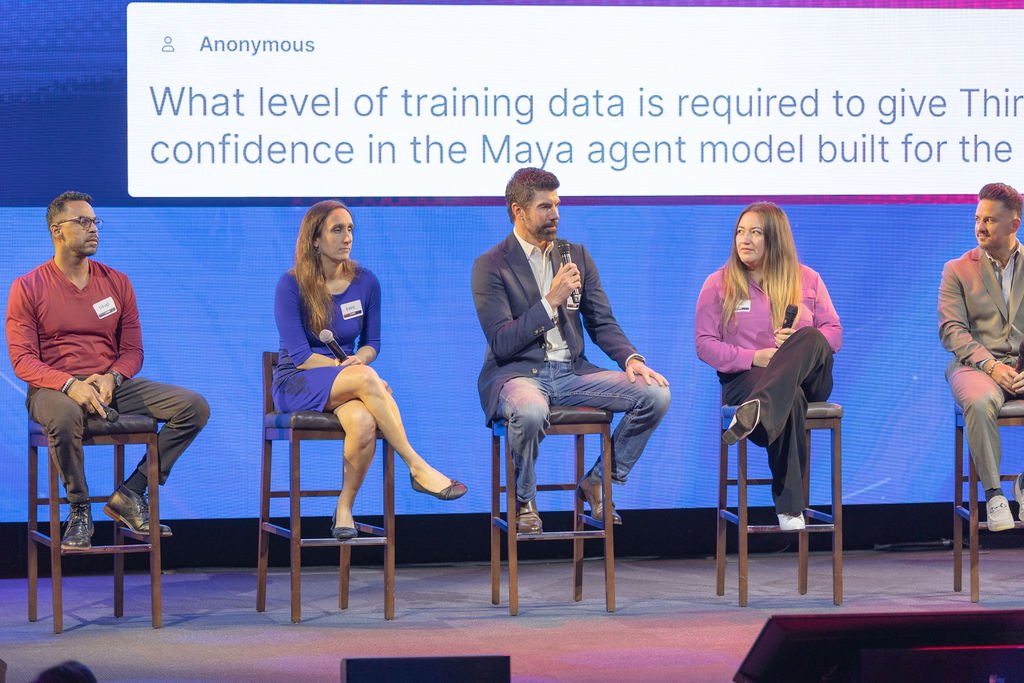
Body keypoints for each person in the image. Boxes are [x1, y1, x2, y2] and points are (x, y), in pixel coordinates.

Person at [6, 191, 210, 550]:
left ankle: (132, 492)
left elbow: (132, 350)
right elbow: (23, 360)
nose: (93, 229)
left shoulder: (117, 282)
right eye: (82, 222)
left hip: (109, 383)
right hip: (52, 389)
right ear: (57, 230)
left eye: (95, 221)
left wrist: (112, 377)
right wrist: (69, 384)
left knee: (193, 406)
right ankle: (79, 510)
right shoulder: (28, 287)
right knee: (66, 416)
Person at [471, 167, 670, 534]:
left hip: (572, 373)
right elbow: (502, 341)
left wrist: (632, 359)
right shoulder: (491, 265)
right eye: (545, 207)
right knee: (530, 412)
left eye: (557, 205)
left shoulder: (574, 254)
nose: (556, 214)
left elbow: (602, 322)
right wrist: (551, 302)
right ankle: (525, 499)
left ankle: (600, 481)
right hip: (518, 374)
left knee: (656, 394)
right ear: (519, 211)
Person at [273, 200, 466, 539]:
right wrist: (357, 374)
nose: (347, 237)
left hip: (347, 380)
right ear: (315, 240)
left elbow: (371, 343)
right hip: (298, 382)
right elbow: (302, 356)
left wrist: (360, 363)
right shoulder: (291, 285)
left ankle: (344, 508)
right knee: (366, 380)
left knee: (363, 422)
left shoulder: (367, 282)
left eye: (350, 229)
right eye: (337, 230)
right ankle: (418, 466)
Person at [695, 202, 841, 531]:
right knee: (790, 398)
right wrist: (754, 357)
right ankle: (790, 508)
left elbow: (834, 334)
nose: (744, 240)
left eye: (755, 233)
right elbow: (705, 344)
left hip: (808, 377)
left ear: (774, 238)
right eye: (740, 232)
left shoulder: (809, 280)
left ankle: (758, 410)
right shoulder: (718, 284)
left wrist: (796, 344)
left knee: (810, 336)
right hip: (748, 379)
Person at [939, 182, 1024, 532]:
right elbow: (952, 331)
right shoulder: (957, 269)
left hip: (1021, 365)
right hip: (976, 365)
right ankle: (994, 494)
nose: (980, 227)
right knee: (978, 400)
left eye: (989, 220)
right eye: (977, 218)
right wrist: (991, 364)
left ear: (1014, 225)